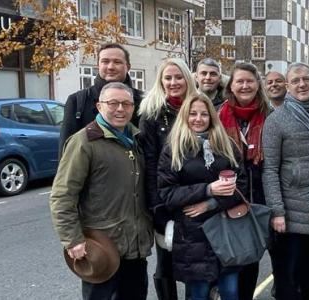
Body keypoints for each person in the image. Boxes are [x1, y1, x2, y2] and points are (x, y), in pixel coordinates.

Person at [50, 82, 153, 300]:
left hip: (134, 246)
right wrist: (72, 239)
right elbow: (62, 195)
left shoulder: (136, 139)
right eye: (113, 103)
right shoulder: (84, 142)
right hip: (101, 247)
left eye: (127, 104)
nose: (120, 109)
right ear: (99, 106)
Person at [157, 93, 248, 300]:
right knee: (198, 292)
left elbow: (241, 186)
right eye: (193, 114)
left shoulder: (227, 145)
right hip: (192, 233)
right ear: (184, 117)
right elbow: (168, 193)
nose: (198, 119)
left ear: (212, 117)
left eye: (204, 114)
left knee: (231, 291)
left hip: (226, 227)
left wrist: (212, 203)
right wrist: (208, 189)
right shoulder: (173, 149)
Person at [262, 62, 309, 300]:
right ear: (287, 85)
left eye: (306, 79)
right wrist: (277, 212)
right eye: (295, 80)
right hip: (291, 214)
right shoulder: (276, 120)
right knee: (288, 282)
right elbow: (270, 169)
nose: (301, 84)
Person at [136, 58, 199, 300]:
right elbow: (149, 164)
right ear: (161, 81)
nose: (173, 82)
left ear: (187, 79)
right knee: (166, 261)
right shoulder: (151, 114)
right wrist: (157, 205)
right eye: (168, 78)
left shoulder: (197, 108)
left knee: (197, 260)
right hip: (166, 197)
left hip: (195, 194)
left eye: (178, 77)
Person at [216, 62, 270, 300]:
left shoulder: (271, 115)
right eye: (240, 81)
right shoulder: (217, 115)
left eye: (250, 80)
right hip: (228, 197)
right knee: (228, 259)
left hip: (260, 196)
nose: (245, 85)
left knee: (251, 258)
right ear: (231, 85)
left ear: (258, 84)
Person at [59, 43, 143, 157]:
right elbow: (66, 152)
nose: (111, 67)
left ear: (128, 66)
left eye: (117, 62)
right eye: (105, 61)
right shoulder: (78, 101)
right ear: (98, 65)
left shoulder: (144, 101)